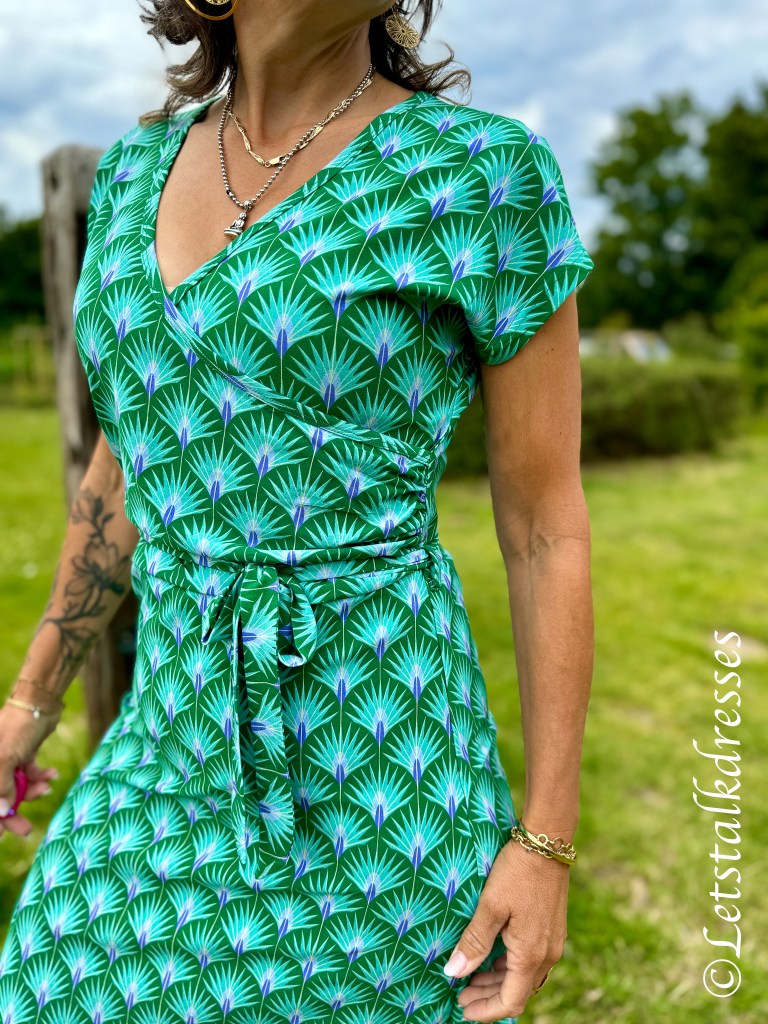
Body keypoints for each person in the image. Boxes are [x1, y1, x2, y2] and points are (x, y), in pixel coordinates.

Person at [0, 1, 595, 1022]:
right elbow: (134, 458)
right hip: (165, 752)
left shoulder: (480, 174)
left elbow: (546, 529)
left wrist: (544, 842)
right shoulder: (134, 173)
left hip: (379, 788)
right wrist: (30, 701)